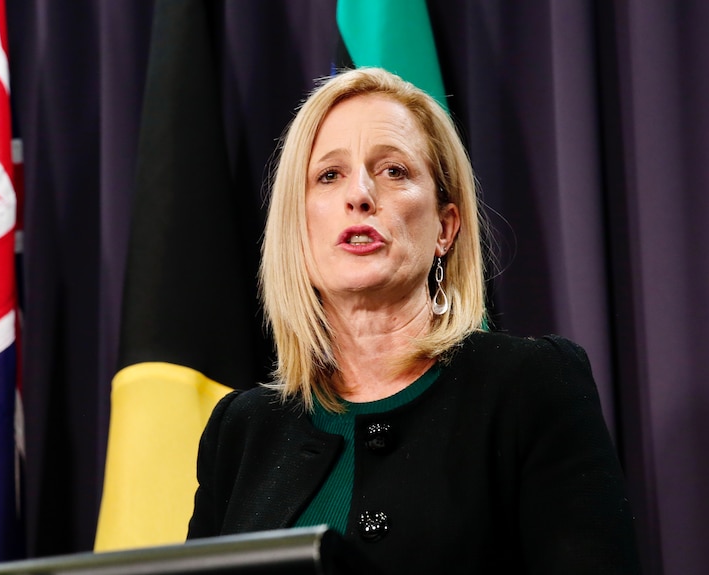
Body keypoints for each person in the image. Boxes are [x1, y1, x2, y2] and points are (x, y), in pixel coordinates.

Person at [187, 67, 640, 574]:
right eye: (329, 175)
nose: (358, 194)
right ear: (298, 226)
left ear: (445, 227)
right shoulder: (242, 431)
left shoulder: (530, 387)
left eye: (394, 171)